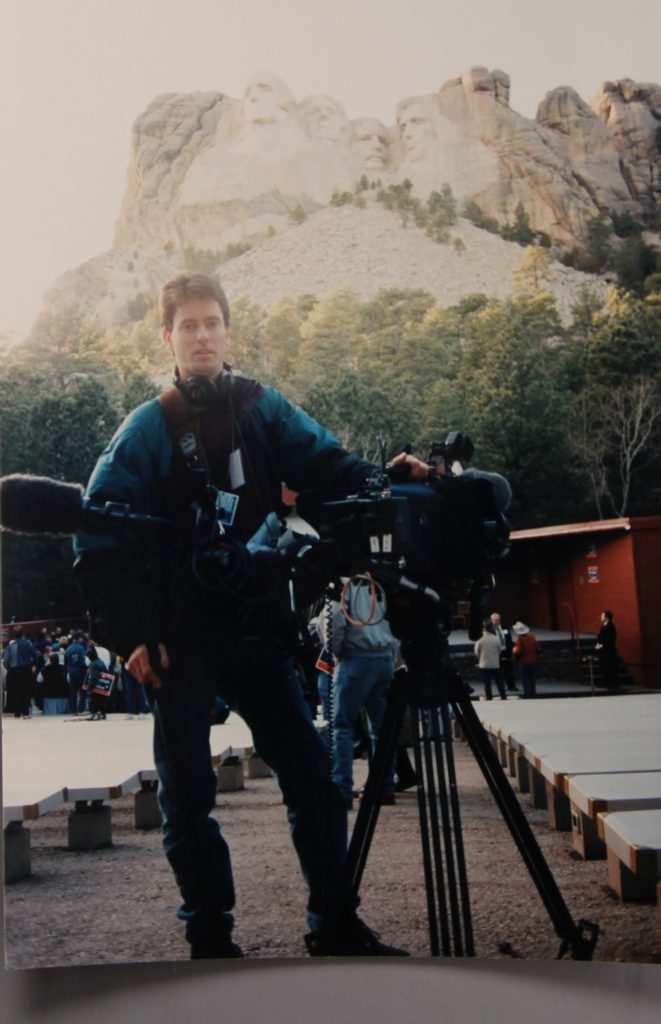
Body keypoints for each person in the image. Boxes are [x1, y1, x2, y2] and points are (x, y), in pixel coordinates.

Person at [73, 271, 430, 960]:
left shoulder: (263, 410)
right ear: (168, 336)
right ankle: (209, 939)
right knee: (187, 797)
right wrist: (125, 637)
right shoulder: (146, 428)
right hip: (177, 642)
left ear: (227, 330)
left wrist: (386, 480)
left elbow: (328, 464)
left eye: (212, 322)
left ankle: (335, 923)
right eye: (188, 325)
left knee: (312, 778)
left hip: (257, 629)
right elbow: (94, 535)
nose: (202, 335)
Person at [317, 578, 398, 808]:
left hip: (355, 657)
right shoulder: (381, 578)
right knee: (381, 730)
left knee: (342, 726)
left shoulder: (344, 581)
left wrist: (335, 650)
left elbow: (333, 618)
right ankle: (385, 785)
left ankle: (342, 787)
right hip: (384, 657)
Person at [2, 628, 36, 718]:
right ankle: (25, 712)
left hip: (14, 670)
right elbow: (35, 655)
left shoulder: (11, 646)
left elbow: (6, 660)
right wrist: (31, 664)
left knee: (15, 691)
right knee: (26, 690)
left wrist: (8, 668)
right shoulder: (28, 643)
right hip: (26, 669)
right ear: (22, 634)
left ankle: (17, 712)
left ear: (14, 635)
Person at [474, 620, 507, 701]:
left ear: (483, 629)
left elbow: (477, 652)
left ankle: (489, 696)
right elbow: (500, 650)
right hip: (495, 663)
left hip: (484, 664)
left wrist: (480, 658)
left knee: (487, 682)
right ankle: (503, 695)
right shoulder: (496, 639)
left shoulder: (480, 640)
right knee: (499, 681)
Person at [490, 612, 518, 692]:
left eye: (497, 620)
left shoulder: (505, 627)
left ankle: (512, 686)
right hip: (496, 652)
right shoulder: (490, 630)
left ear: (500, 620)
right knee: (498, 672)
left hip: (506, 651)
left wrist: (511, 648)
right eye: (494, 620)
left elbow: (509, 638)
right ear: (491, 620)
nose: (495, 622)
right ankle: (501, 688)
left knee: (509, 670)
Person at [512, 622, 541, 698]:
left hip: (523, 661)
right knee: (532, 678)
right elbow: (537, 647)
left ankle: (527, 694)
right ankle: (533, 693)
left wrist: (514, 650)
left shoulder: (519, 640)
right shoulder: (532, 637)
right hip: (533, 660)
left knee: (525, 679)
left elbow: (519, 651)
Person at [595, 610, 619, 690]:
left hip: (609, 651)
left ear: (607, 618)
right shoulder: (604, 626)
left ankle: (612, 684)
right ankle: (605, 682)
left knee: (610, 667)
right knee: (605, 667)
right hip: (604, 650)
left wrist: (600, 645)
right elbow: (601, 637)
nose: (601, 617)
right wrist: (598, 644)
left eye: (602, 616)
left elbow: (608, 639)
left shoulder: (610, 627)